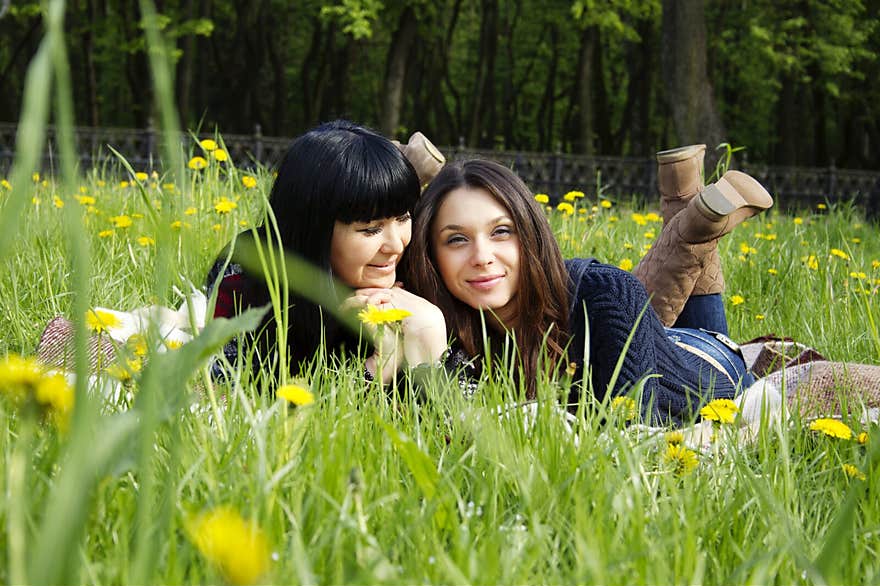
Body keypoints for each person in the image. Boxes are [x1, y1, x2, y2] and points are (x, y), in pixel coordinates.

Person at [400, 155, 774, 425]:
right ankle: (689, 208)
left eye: (501, 231)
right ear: (430, 255)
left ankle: (691, 220)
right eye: (457, 240)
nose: (482, 256)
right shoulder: (435, 318)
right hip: (629, 329)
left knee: (619, 303)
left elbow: (633, 432)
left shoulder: (604, 292)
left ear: (530, 235)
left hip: (705, 364)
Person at [206, 119, 449, 385]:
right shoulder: (245, 273)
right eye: (370, 229)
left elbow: (444, 418)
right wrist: (380, 363)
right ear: (314, 227)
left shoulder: (423, 262)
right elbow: (233, 395)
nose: (396, 245)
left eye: (403, 218)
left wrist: (428, 327)